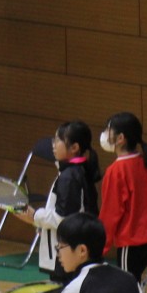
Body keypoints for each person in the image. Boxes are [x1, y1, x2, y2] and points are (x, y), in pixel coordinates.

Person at [18, 119, 99, 283]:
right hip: (78, 249)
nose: (53, 144)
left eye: (58, 140)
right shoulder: (76, 172)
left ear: (74, 148)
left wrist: (35, 217)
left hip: (70, 253)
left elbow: (64, 219)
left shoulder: (69, 177)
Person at [98, 111, 147, 290]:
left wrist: (100, 247)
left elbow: (111, 213)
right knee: (137, 291)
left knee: (129, 291)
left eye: (108, 130)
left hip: (133, 241)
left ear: (120, 138)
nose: (104, 134)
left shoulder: (116, 171)